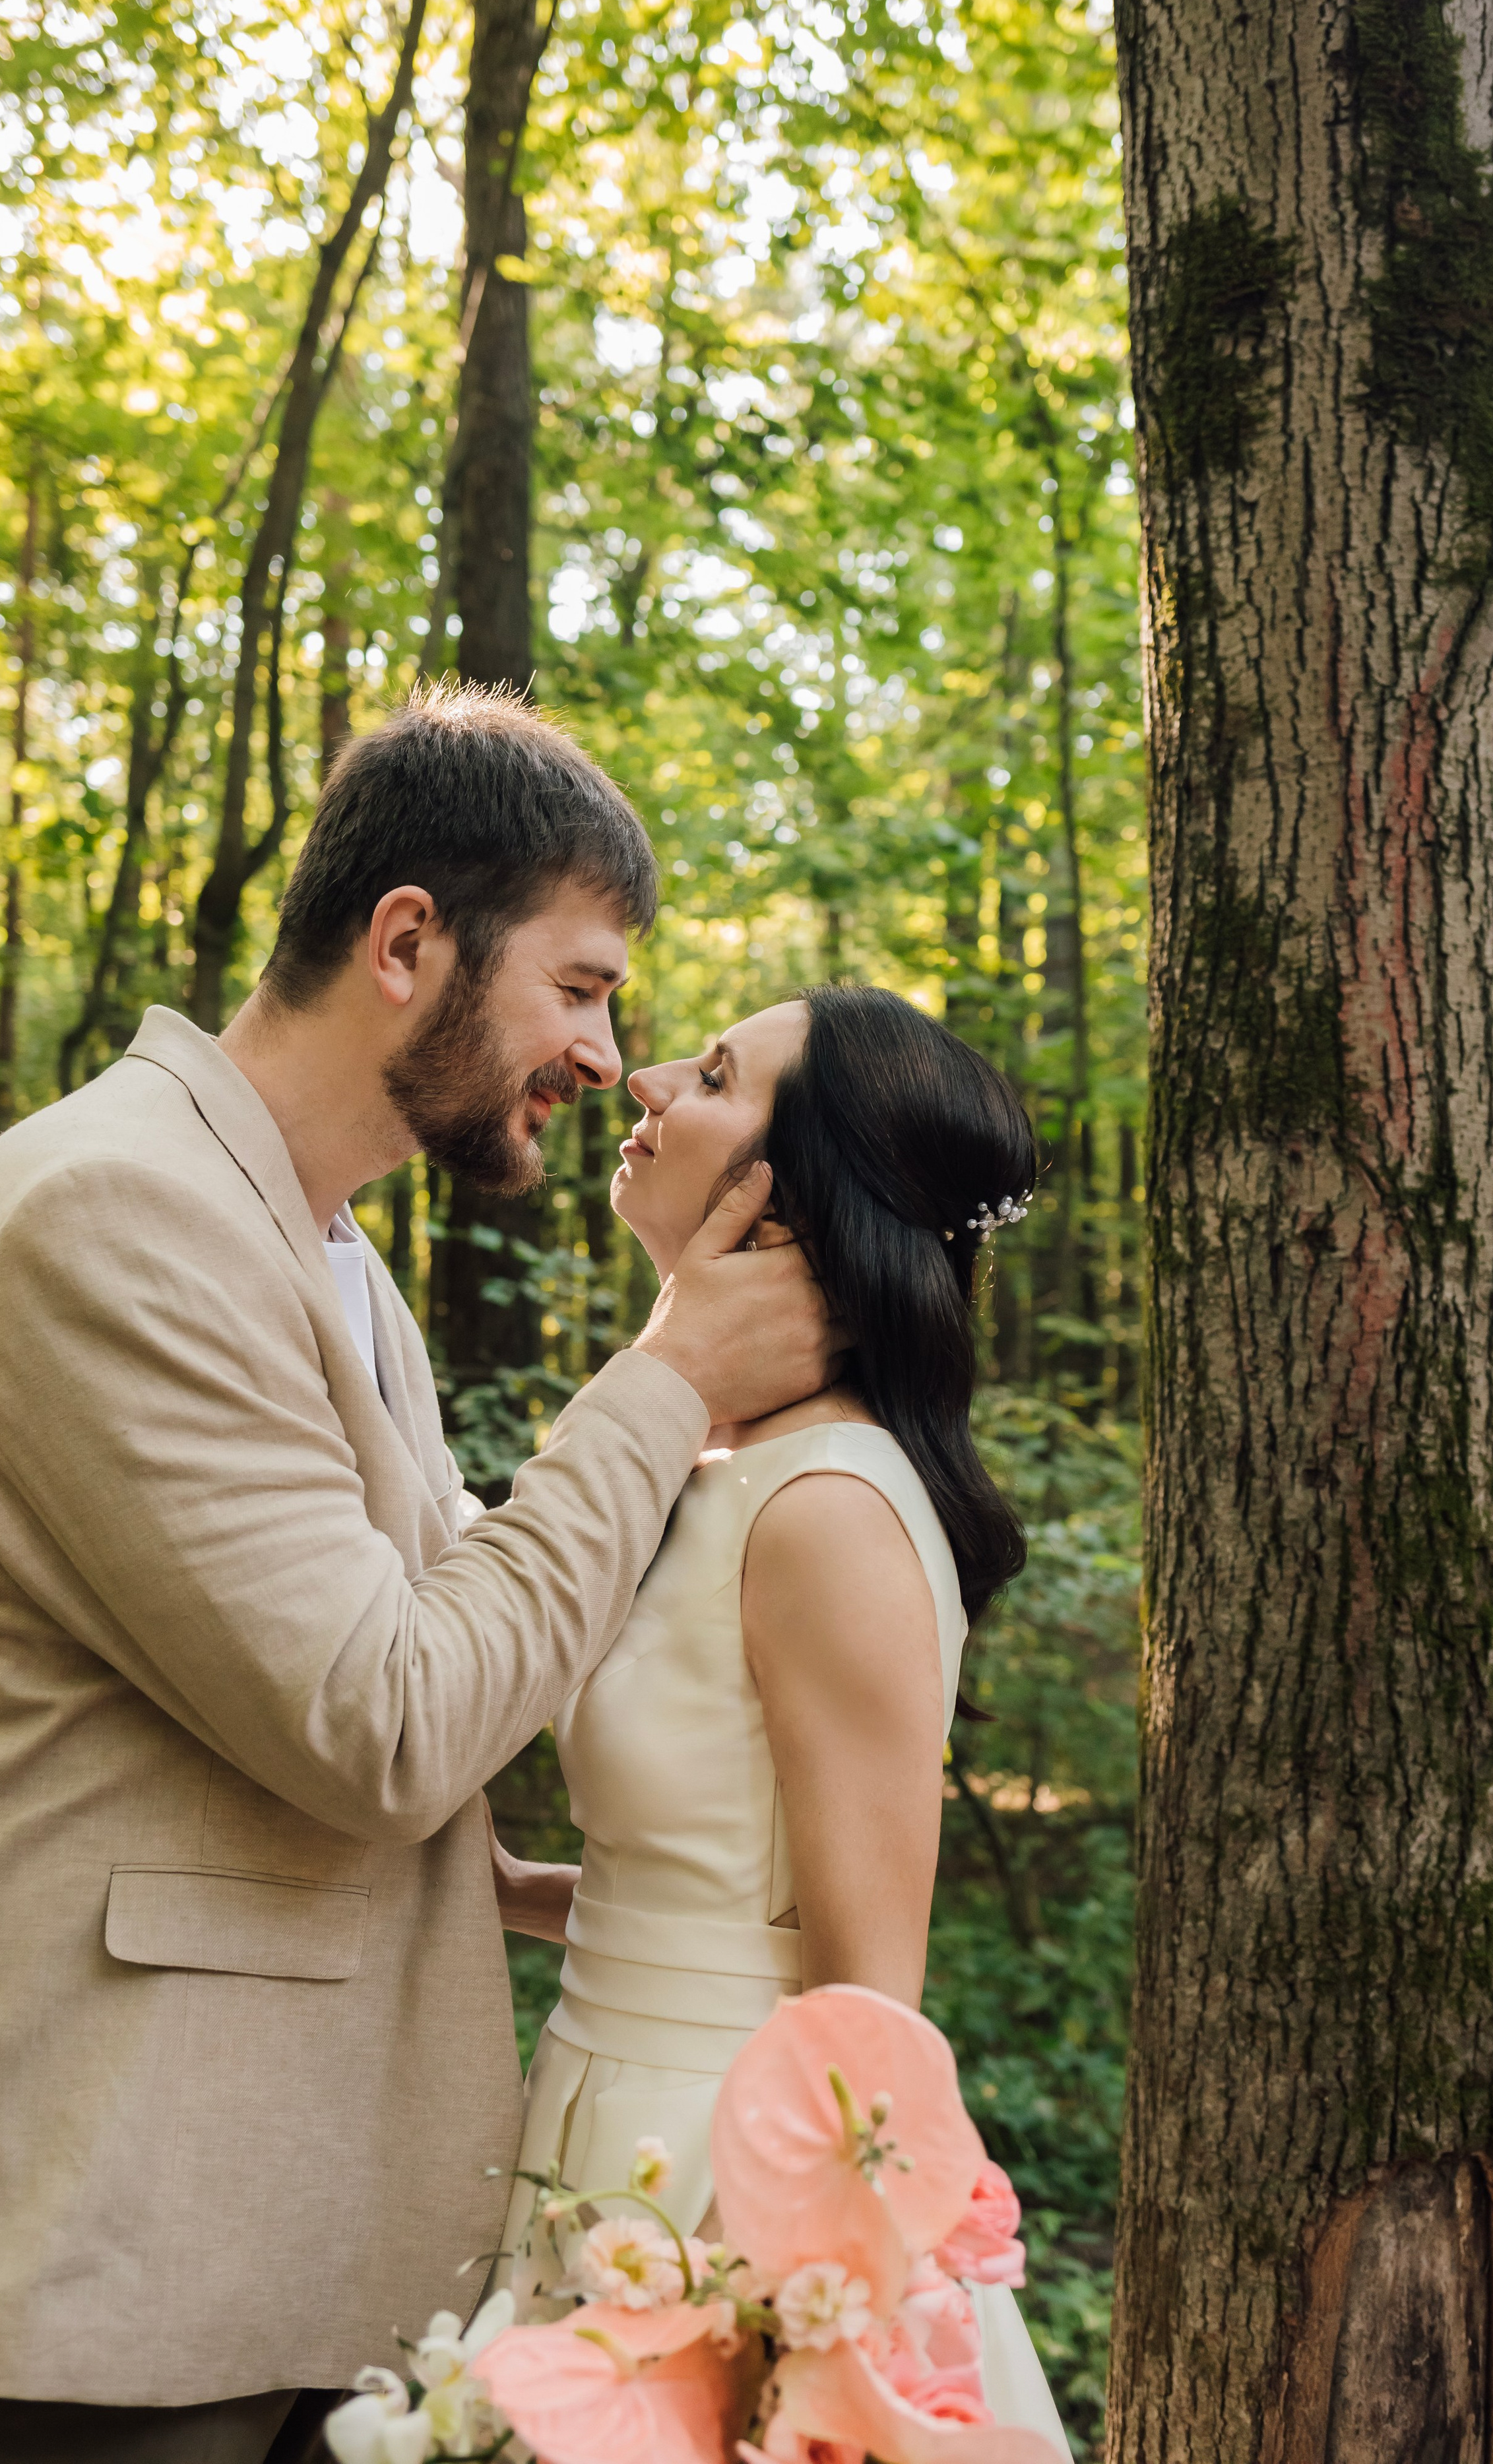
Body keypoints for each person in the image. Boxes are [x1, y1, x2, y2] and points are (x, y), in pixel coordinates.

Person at [0, 688, 835, 2464]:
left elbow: (369, 1659)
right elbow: (389, 1721)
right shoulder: (114, 1215)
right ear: (408, 941)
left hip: (280, 2251)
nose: (604, 1056)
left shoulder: (319, 1244)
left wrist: (548, 1889)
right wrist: (666, 1381)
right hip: (119, 2262)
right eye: (578, 986)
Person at [493, 983, 1071, 2454]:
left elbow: (866, 2001)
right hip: (591, 2116)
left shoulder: (827, 1506)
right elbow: (717, 1894)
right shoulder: (700, 1468)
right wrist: (505, 1894)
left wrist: (791, 2317)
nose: (642, 1081)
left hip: (720, 2170)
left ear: (795, 1196)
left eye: (710, 1076)